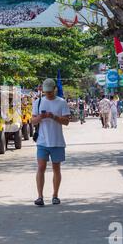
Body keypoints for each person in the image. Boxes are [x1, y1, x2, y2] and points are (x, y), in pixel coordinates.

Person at [31, 78, 70, 207]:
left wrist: (53, 116)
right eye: (46, 92)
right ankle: (40, 196)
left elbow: (66, 121)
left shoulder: (61, 102)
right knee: (41, 167)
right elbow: (33, 121)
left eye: (50, 92)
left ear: (55, 89)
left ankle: (55, 195)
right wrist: (40, 117)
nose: (48, 94)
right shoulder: (38, 102)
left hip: (57, 141)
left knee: (56, 168)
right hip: (42, 141)